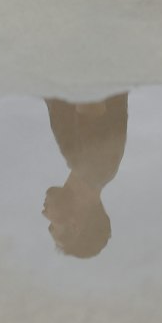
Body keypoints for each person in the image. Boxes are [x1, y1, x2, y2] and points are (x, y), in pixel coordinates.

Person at [42, 95, 129, 257]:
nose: (44, 214)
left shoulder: (94, 169)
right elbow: (88, 88)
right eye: (52, 226)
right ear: (74, 225)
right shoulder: (96, 165)